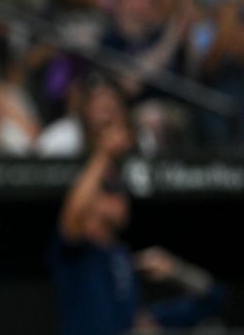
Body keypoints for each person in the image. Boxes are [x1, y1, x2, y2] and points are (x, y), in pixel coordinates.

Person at [50, 123, 226, 334]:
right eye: (112, 190)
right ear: (92, 200)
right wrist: (103, 155)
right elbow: (72, 216)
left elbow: (215, 297)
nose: (122, 199)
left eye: (123, 191)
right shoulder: (77, 253)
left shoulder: (123, 258)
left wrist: (175, 271)